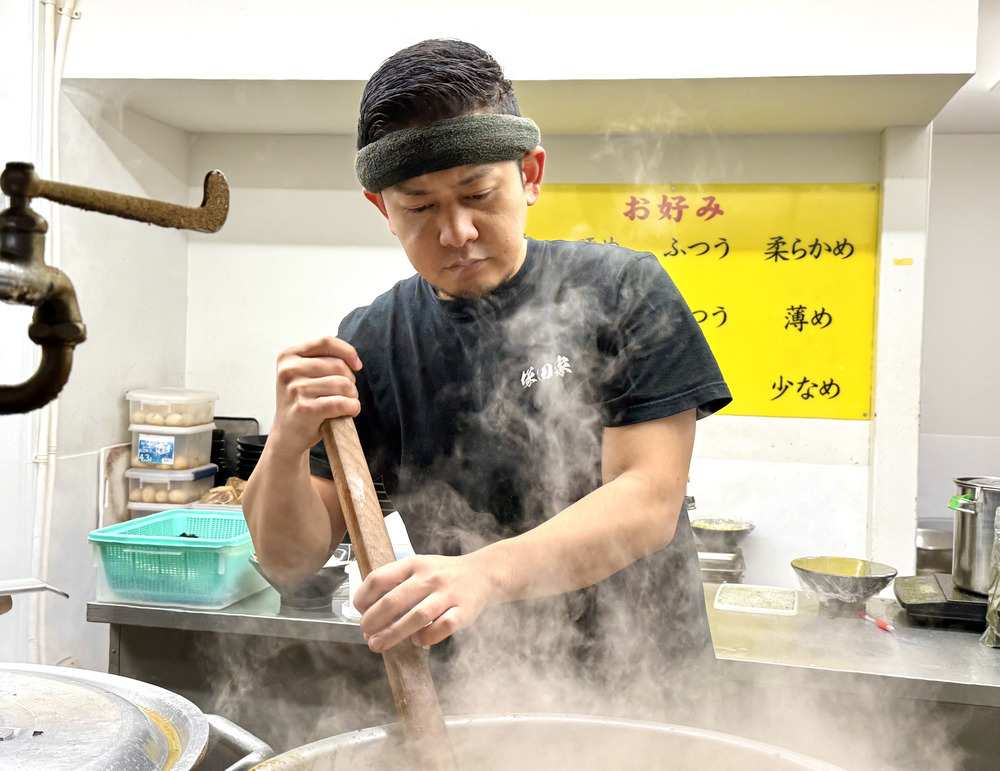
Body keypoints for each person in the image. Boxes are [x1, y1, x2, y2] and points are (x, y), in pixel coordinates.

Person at [243, 38, 731, 701]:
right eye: (419, 206)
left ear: (530, 174)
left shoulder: (623, 290)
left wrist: (483, 574)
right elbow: (289, 558)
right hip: (478, 702)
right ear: (381, 208)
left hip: (648, 692)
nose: (456, 231)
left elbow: (648, 499)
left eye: (478, 193)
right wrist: (286, 443)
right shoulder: (373, 342)